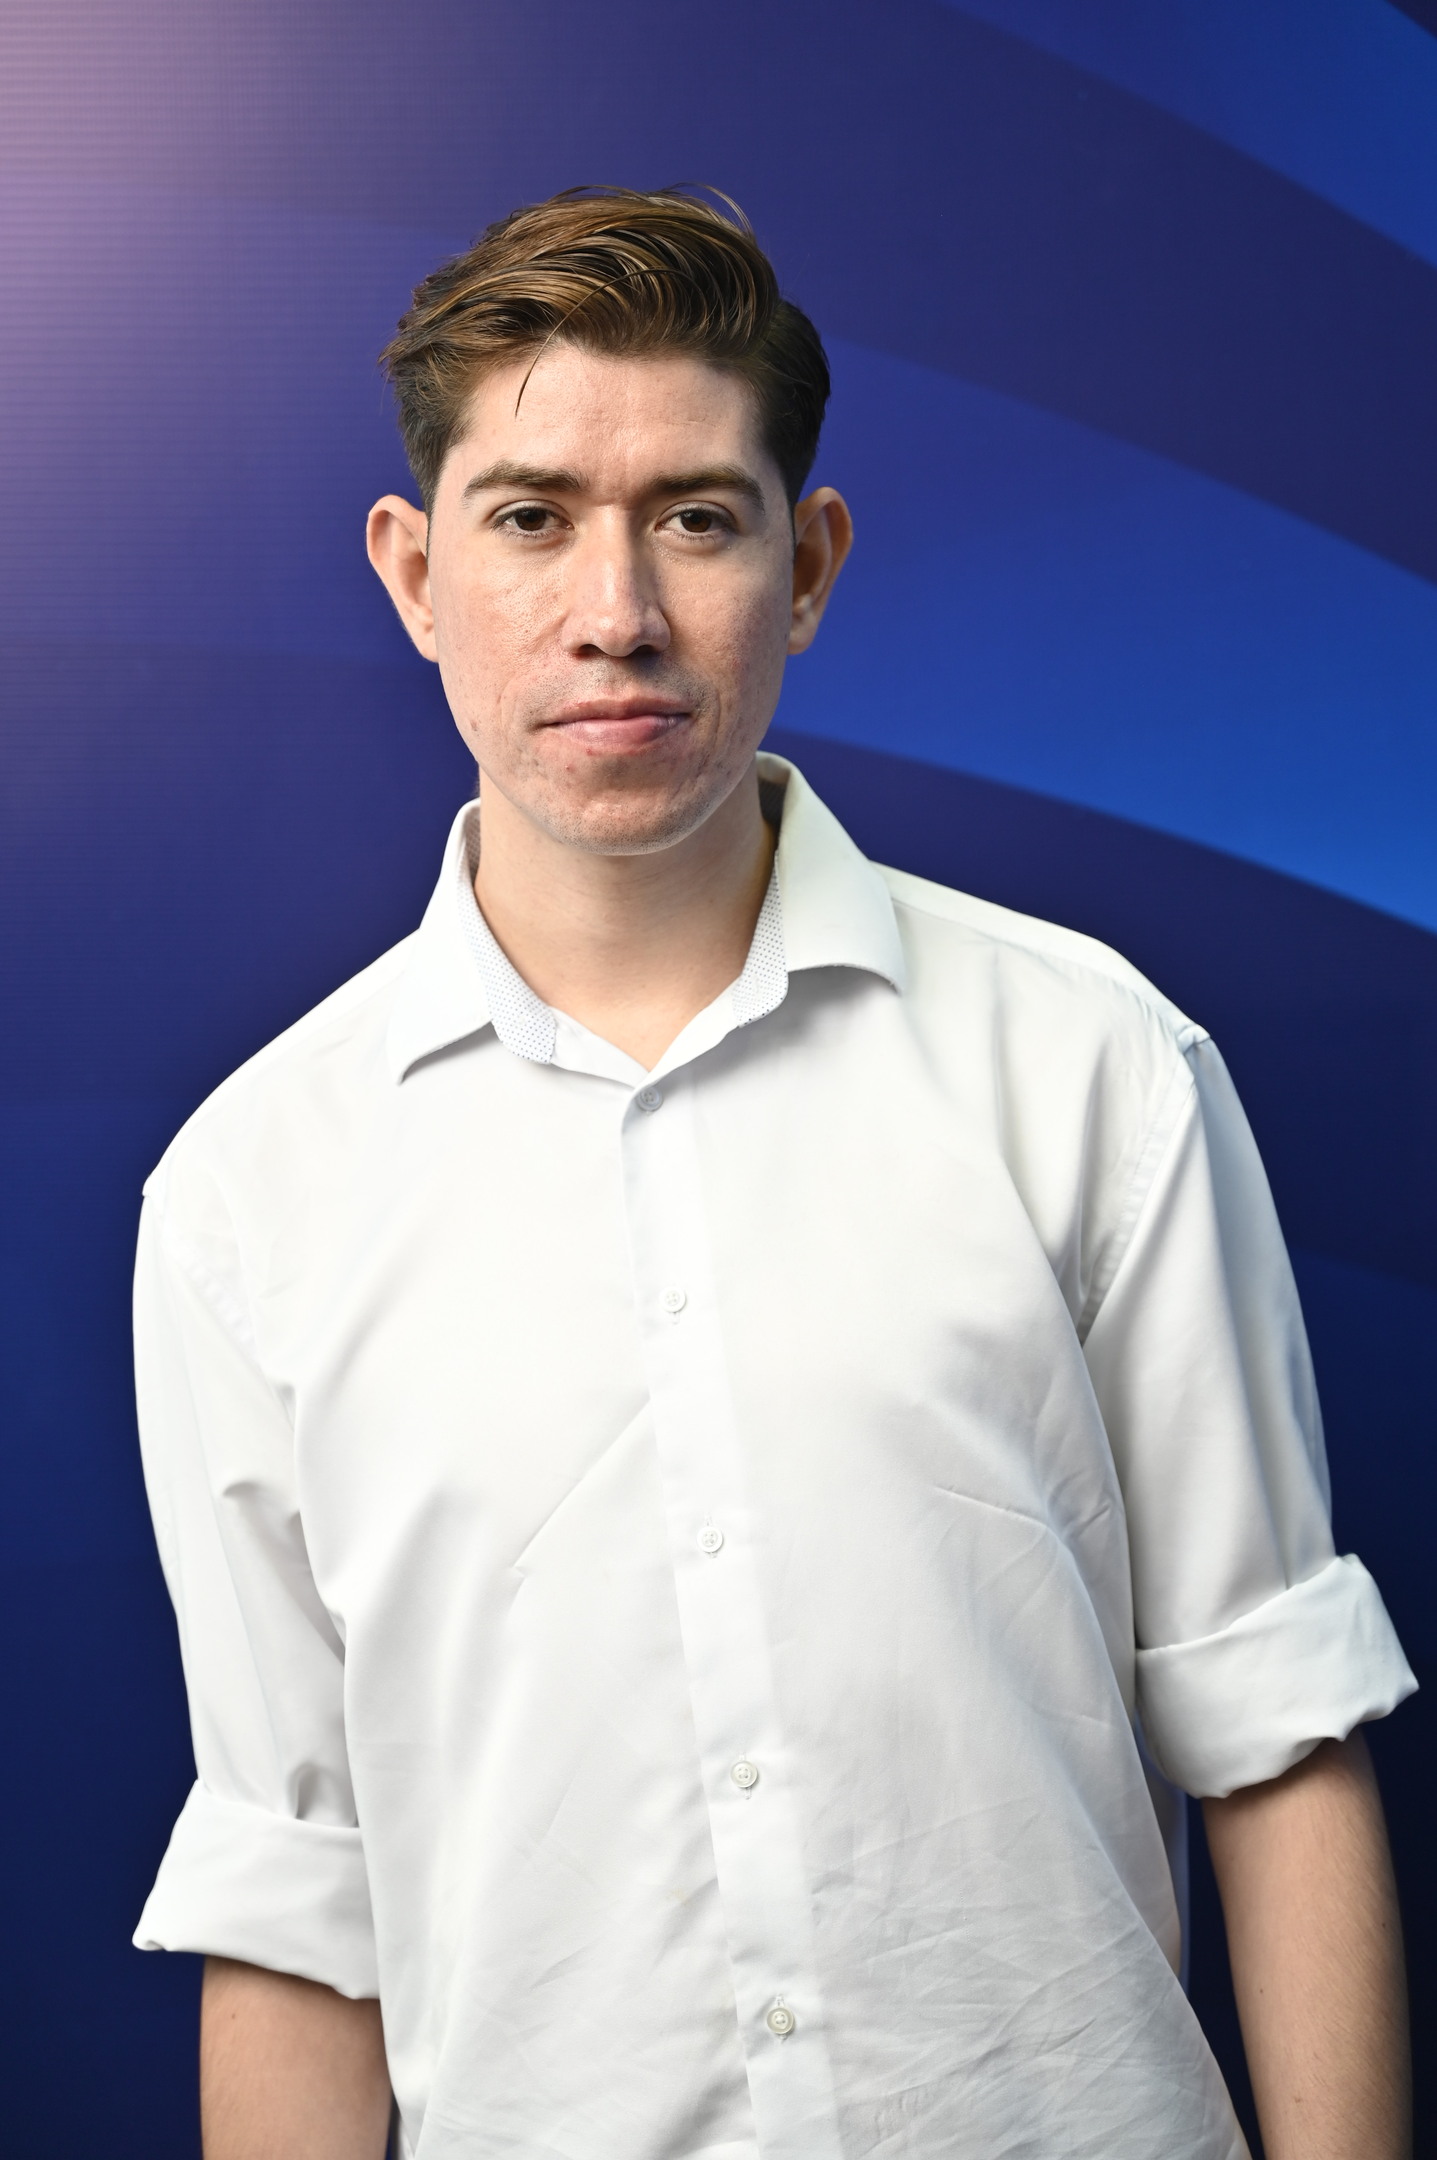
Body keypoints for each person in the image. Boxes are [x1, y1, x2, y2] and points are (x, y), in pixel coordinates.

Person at [132, 187, 1415, 2160]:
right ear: (413, 572)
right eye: (529, 517)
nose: (616, 612)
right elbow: (303, 1899)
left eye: (695, 518)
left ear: (803, 565)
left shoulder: (1091, 1065)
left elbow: (1272, 1734)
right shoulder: (249, 1195)